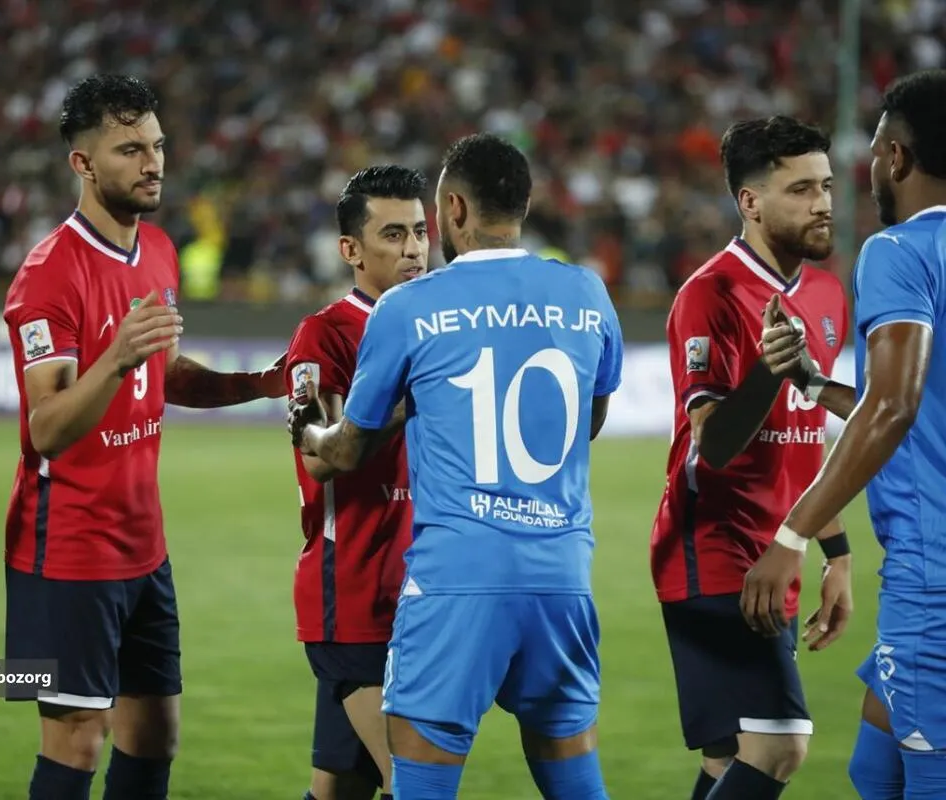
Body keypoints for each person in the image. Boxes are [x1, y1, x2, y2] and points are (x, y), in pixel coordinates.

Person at [289, 133, 623, 800]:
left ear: (454, 209)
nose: (419, 242)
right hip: (561, 575)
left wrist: (311, 431)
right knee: (575, 782)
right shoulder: (587, 291)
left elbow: (346, 449)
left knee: (414, 784)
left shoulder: (410, 307)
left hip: (455, 581)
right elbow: (589, 421)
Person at [2, 74, 286, 800]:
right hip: (69, 546)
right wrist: (117, 357)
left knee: (155, 733)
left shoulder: (156, 249)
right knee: (78, 738)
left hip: (142, 545)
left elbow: (165, 373)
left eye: (157, 146)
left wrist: (257, 383)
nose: (152, 162)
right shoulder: (48, 276)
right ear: (83, 163)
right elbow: (47, 427)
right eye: (130, 149)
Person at [745, 69, 946, 800]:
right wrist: (808, 380)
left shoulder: (901, 252)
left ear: (896, 155)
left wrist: (792, 535)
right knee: (875, 767)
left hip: (934, 578)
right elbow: (915, 406)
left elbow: (892, 407)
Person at [649, 115, 855, 800]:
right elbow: (710, 443)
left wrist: (836, 551)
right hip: (712, 550)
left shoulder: (825, 294)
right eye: (801, 190)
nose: (823, 203)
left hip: (778, 551)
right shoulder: (710, 294)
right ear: (751, 201)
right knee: (779, 746)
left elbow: (804, 439)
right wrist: (768, 370)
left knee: (727, 761)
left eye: (826, 186)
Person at [287, 165, 427, 800]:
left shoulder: (438, 325)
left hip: (420, 588)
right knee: (416, 781)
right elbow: (320, 456)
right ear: (351, 249)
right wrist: (410, 398)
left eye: (420, 231)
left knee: (340, 789)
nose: (414, 249)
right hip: (354, 594)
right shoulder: (326, 334)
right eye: (393, 235)